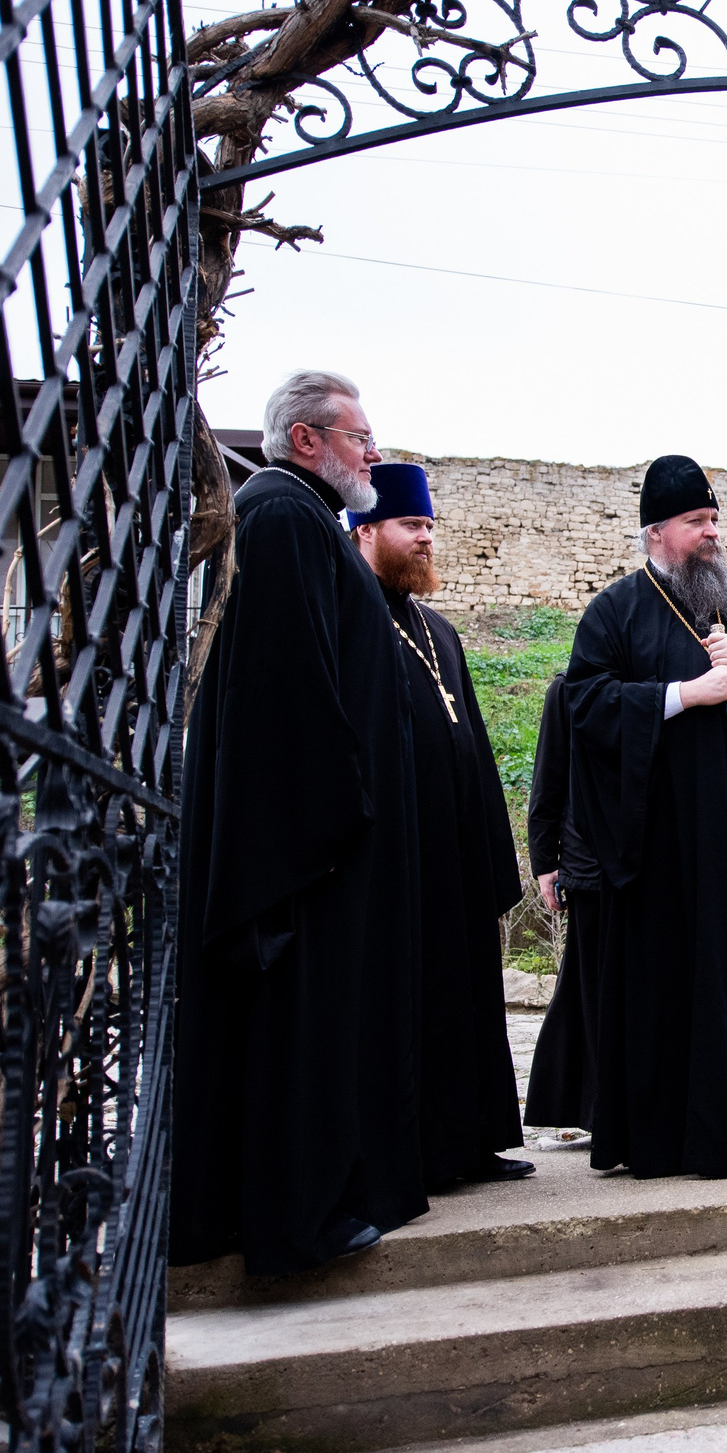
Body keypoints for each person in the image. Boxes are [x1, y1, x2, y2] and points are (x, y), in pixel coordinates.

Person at [171, 370, 428, 1274]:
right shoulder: (282, 514)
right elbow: (287, 693)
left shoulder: (301, 516)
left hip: (321, 832)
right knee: (295, 1030)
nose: (374, 454)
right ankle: (295, 1217)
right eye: (361, 437)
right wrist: (344, 809)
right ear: (308, 439)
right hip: (304, 842)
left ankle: (317, 1200)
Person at [562, 456, 727, 1178]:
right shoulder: (615, 612)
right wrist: (686, 694)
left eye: (715, 520)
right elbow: (583, 706)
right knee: (676, 991)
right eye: (695, 521)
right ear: (656, 532)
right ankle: (672, 1141)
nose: (712, 533)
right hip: (668, 855)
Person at [348, 463, 533, 1190]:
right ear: (366, 531)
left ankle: (470, 1142)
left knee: (465, 999)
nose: (425, 539)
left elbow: (475, 744)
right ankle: (411, 1152)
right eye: (410, 526)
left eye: (429, 526)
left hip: (453, 851)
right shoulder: (352, 614)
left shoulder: (440, 631)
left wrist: (491, 852)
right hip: (397, 849)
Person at [522, 672, 596, 1134]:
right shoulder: (567, 687)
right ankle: (583, 1108)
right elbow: (548, 777)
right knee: (585, 991)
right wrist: (545, 860)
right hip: (587, 864)